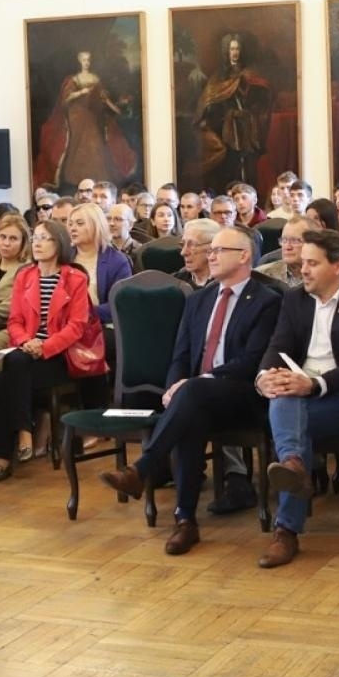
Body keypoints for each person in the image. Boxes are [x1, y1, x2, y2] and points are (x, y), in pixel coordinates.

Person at [98, 227, 283, 555]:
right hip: (197, 397)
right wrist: (174, 386)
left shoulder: (267, 301)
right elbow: (181, 355)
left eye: (218, 250)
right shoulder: (198, 300)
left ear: (244, 256)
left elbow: (252, 360)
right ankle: (186, 521)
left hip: (243, 394)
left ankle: (143, 469)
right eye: (209, 250)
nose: (210, 256)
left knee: (192, 395)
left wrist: (195, 383)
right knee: (190, 412)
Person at [256, 230, 339, 568]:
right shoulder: (295, 299)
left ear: (338, 265)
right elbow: (277, 346)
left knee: (290, 414)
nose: (304, 270)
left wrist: (312, 385)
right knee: (286, 401)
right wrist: (265, 377)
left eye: (312, 263)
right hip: (300, 396)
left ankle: (287, 528)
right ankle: (294, 472)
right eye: (302, 263)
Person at [0, 221, 105, 480]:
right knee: (1, 378)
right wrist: (27, 342)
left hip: (60, 356)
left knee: (8, 372)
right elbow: (14, 321)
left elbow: (77, 326)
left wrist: (45, 347)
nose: (37, 243)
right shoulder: (25, 276)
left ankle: (5, 453)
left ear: (59, 243)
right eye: (35, 238)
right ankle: (18, 435)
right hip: (26, 352)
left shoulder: (75, 278)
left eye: (45, 238)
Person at [34, 50, 137, 190]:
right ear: (79, 61)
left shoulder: (95, 78)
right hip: (76, 117)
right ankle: (75, 180)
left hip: (92, 117)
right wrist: (80, 93)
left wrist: (113, 106)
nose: (86, 62)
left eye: (88, 60)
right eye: (84, 60)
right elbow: (66, 99)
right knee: (78, 147)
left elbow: (101, 99)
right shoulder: (74, 79)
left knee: (95, 145)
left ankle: (95, 180)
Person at [195, 34, 272, 188]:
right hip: (226, 129)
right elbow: (209, 103)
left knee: (248, 164)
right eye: (232, 49)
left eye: (237, 49)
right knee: (230, 165)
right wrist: (227, 116)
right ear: (226, 51)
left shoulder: (250, 74)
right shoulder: (218, 77)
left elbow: (262, 99)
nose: (235, 52)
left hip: (247, 127)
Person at [66, 202, 132, 326]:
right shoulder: (64, 258)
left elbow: (119, 304)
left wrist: (84, 313)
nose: (72, 228)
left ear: (96, 225)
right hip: (64, 326)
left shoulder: (118, 261)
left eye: (80, 223)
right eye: (70, 224)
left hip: (100, 326)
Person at [0, 213, 32, 349]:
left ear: (23, 242)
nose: (6, 243)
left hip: (12, 324)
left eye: (13, 239)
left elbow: (16, 303)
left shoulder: (29, 269)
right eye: (2, 237)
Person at [258, 216, 308, 289]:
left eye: (295, 241)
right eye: (284, 240)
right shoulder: (261, 276)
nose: (287, 247)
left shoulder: (325, 276)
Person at [174, 219, 218, 290]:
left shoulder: (223, 285)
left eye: (192, 245)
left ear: (212, 248)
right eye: (182, 244)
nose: (183, 252)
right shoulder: (175, 282)